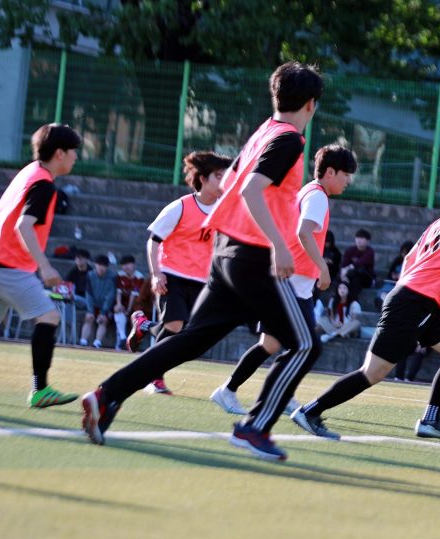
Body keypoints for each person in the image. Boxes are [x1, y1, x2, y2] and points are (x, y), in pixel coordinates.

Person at [80, 61, 326, 462]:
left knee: (188, 341)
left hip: (226, 252)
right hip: (253, 258)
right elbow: (250, 189)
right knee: (305, 344)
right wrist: (279, 244)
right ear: (312, 105)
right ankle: (254, 427)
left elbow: (231, 182)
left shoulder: (262, 132)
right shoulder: (290, 140)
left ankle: (106, 395)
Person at [291, 163, 440, 441]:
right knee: (373, 373)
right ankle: (310, 411)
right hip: (414, 302)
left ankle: (430, 420)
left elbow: (410, 258)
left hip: (422, 302)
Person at [209, 144, 356, 417]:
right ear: (331, 172)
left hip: (293, 281)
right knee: (305, 345)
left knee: (273, 345)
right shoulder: (318, 196)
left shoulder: (309, 192)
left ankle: (234, 391)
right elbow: (304, 232)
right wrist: (323, 267)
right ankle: (270, 397)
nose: (349, 181)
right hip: (294, 283)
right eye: (346, 174)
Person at [0, 123, 81, 407]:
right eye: (73, 151)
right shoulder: (44, 185)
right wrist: (45, 267)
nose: (76, 157)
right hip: (7, 265)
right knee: (49, 317)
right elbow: (24, 227)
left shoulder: (30, 171)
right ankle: (40, 390)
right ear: (60, 153)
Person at [130, 151, 231, 394]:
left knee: (187, 335)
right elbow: (153, 241)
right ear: (203, 179)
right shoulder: (180, 207)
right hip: (172, 276)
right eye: (219, 176)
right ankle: (155, 377)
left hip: (201, 281)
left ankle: (144, 326)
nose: (224, 182)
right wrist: (156, 274)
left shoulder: (223, 211)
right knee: (174, 326)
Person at [80, 254, 115, 347]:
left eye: (103, 266)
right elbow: (88, 294)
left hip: (106, 306)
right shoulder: (90, 275)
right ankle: (83, 341)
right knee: (88, 318)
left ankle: (97, 342)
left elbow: (110, 296)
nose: (101, 268)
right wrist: (90, 310)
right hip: (94, 304)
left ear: (107, 267)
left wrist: (103, 312)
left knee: (103, 320)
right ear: (95, 265)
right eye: (99, 265)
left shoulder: (112, 277)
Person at [112, 255, 145, 350]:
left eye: (127, 264)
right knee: (117, 309)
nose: (125, 267)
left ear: (133, 264)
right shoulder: (120, 275)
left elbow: (134, 296)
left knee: (135, 315)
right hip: (124, 303)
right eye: (123, 265)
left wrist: (128, 310)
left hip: (135, 305)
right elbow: (118, 292)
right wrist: (118, 304)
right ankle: (122, 338)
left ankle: (131, 344)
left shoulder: (139, 277)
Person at [376, 240, 414, 307]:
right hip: (392, 284)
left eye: (406, 253)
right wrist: (394, 275)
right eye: (403, 253)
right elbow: (390, 274)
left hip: (403, 287)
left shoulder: (414, 263)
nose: (404, 255)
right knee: (383, 293)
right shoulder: (398, 260)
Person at [340, 228, 375, 298]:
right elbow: (343, 264)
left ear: (368, 241)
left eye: (362, 238)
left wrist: (348, 268)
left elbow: (361, 262)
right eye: (357, 238)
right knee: (344, 280)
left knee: (357, 274)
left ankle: (352, 301)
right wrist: (342, 274)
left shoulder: (370, 251)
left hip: (367, 278)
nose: (358, 240)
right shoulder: (350, 250)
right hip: (352, 276)